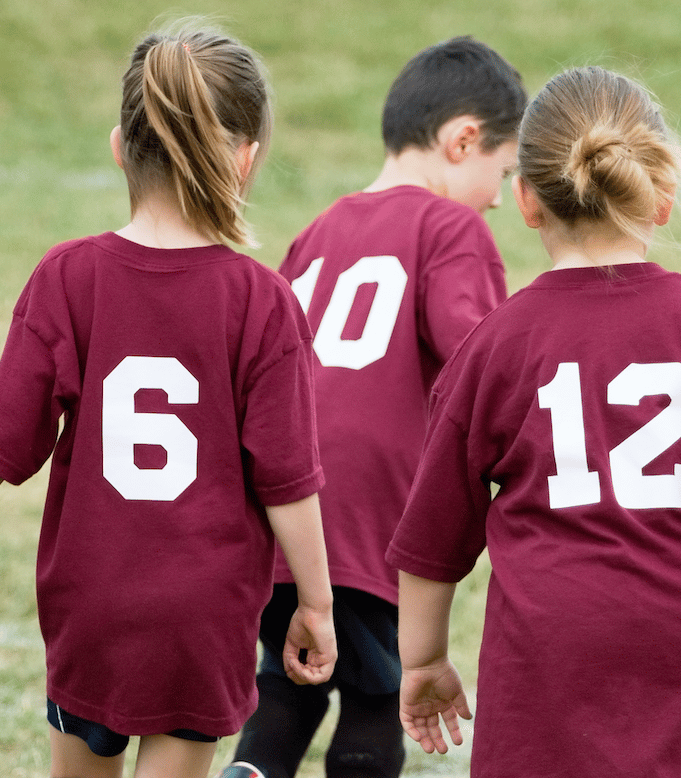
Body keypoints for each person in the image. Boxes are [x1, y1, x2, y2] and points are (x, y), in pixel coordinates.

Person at [386, 66, 681, 777]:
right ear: (664, 197)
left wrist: (423, 657)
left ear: (526, 200)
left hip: (548, 633)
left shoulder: (496, 341)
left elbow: (434, 534)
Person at [0, 20, 337, 778]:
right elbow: (288, 480)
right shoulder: (263, 302)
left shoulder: (66, 278)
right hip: (200, 618)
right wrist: (317, 603)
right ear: (245, 161)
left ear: (119, 147)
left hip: (88, 606)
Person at [219, 36, 526, 778]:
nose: (498, 196)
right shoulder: (454, 228)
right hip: (371, 516)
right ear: (463, 141)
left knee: (291, 679)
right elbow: (484, 370)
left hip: (281, 508)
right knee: (380, 694)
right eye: (503, 171)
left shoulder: (319, 230)